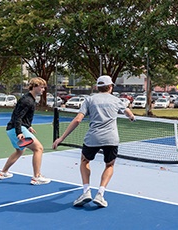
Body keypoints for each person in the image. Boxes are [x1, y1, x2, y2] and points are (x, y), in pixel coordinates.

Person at [52, 75, 135, 207]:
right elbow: (129, 114)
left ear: (97, 87)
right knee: (109, 165)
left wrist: (61, 138)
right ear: (110, 87)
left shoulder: (89, 100)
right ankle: (100, 194)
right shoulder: (116, 100)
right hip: (111, 138)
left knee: (85, 161)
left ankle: (86, 191)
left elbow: (78, 120)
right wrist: (131, 117)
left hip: (93, 138)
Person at [0, 77, 51, 185]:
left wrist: (28, 126)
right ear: (34, 87)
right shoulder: (27, 100)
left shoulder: (29, 98)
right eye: (41, 87)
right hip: (16, 129)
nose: (43, 90)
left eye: (44, 88)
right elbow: (17, 117)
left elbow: (21, 116)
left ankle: (3, 172)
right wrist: (19, 132)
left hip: (12, 129)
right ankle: (36, 177)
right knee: (39, 149)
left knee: (20, 151)